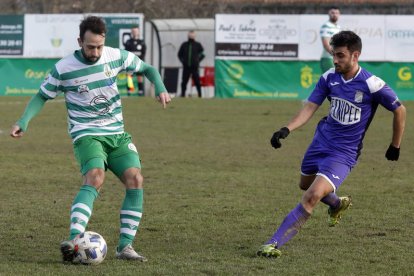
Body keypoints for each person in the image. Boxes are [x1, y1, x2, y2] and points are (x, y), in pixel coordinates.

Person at [10, 16, 171, 263]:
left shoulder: (116, 56)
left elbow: (147, 69)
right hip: (86, 134)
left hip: (116, 134)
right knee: (95, 176)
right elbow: (41, 96)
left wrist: (160, 87)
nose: (95, 52)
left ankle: (125, 247)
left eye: (99, 46)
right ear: (79, 41)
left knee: (135, 178)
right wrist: (23, 121)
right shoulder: (64, 68)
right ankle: (75, 241)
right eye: (90, 47)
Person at [257, 31, 406, 258]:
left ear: (355, 56)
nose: (335, 60)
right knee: (304, 184)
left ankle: (272, 243)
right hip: (320, 142)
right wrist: (287, 129)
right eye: (333, 55)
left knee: (312, 196)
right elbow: (310, 107)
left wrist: (395, 145)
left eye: (340, 56)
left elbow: (400, 109)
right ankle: (336, 204)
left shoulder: (372, 84)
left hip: (344, 153)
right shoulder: (329, 77)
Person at [178, 30, 205, 98]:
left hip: (194, 67)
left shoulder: (198, 45)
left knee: (197, 82)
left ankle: (200, 95)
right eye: (190, 34)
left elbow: (203, 54)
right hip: (186, 67)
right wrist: (183, 62)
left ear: (194, 36)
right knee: (184, 82)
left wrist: (197, 61)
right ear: (188, 35)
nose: (191, 36)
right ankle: (183, 95)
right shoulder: (184, 45)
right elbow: (179, 54)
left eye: (192, 35)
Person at [124, 26, 147, 96]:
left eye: (136, 31)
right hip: (130, 63)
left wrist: (140, 60)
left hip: (139, 63)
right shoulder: (128, 42)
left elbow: (143, 52)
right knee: (129, 76)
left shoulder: (142, 42)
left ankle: (140, 91)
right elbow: (126, 52)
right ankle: (129, 91)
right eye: (133, 31)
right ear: (131, 32)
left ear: (138, 32)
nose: (134, 32)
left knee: (139, 77)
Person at [320, 6, 341, 73]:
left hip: (336, 58)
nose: (334, 15)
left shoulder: (338, 27)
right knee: (332, 81)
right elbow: (326, 44)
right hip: (328, 58)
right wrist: (336, 56)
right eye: (332, 13)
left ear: (339, 14)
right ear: (329, 14)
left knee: (337, 80)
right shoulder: (326, 26)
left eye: (336, 13)